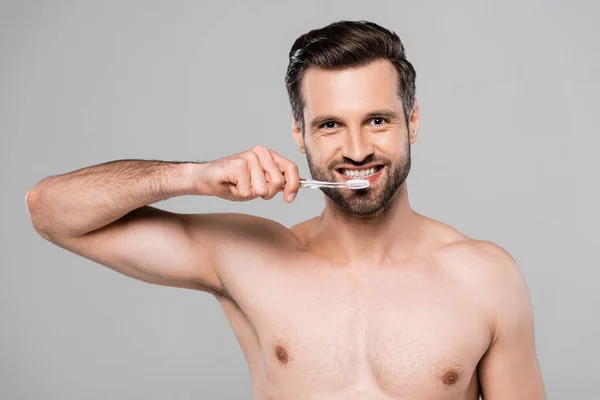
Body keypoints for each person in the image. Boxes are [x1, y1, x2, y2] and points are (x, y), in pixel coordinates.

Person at [25, 20, 546, 399]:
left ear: (412, 122)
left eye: (378, 121)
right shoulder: (249, 256)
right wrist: (193, 177)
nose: (358, 148)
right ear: (299, 133)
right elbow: (50, 210)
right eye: (329, 125)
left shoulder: (485, 277)